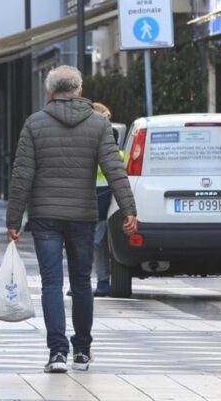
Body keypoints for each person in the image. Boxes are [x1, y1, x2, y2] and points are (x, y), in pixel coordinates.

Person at [6, 65, 137, 374]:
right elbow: (115, 169)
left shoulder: (34, 123)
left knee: (51, 283)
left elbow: (22, 175)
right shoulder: (98, 123)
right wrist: (129, 209)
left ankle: (57, 353)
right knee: (81, 282)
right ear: (79, 90)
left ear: (50, 91)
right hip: (82, 215)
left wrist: (14, 219)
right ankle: (82, 351)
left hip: (45, 216)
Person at [91, 103, 115, 297]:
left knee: (98, 242)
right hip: (92, 196)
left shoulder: (108, 140)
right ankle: (82, 281)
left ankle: (102, 281)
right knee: (89, 243)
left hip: (103, 197)